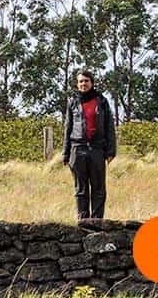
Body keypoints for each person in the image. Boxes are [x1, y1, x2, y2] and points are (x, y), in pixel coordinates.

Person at [62, 69, 116, 219]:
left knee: (98, 188)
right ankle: (83, 221)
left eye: (86, 81)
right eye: (80, 81)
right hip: (77, 149)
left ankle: (97, 221)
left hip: (97, 149)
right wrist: (66, 153)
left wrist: (111, 151)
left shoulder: (102, 101)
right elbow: (68, 127)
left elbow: (109, 126)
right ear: (77, 84)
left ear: (91, 82)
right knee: (81, 189)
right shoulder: (73, 102)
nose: (83, 84)